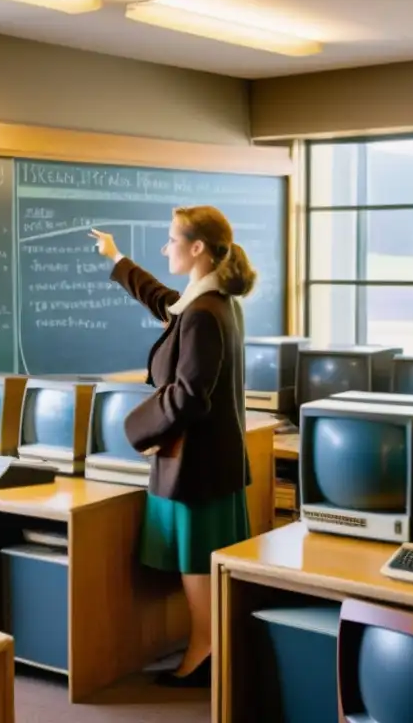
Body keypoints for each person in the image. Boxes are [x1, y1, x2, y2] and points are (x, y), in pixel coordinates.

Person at [89, 206, 256, 688]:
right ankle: (206, 644)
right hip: (208, 462)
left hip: (196, 465)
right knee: (198, 560)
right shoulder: (210, 300)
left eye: (171, 240)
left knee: (196, 562)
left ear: (197, 247)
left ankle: (204, 651)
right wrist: (117, 258)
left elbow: (189, 396)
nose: (166, 249)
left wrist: (140, 430)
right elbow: (164, 303)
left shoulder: (204, 314)